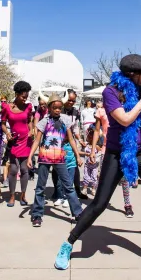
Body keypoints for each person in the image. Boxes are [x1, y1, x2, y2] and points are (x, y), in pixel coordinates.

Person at [53, 54, 141, 271]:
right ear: (132, 74)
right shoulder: (111, 92)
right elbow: (124, 119)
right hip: (117, 154)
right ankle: (68, 243)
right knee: (99, 204)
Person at [27, 93, 83, 227]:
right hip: (45, 157)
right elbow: (37, 141)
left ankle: (78, 213)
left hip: (59, 157)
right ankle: (37, 214)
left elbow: (71, 139)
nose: (57, 110)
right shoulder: (44, 121)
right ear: (49, 107)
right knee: (40, 187)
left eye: (59, 107)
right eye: (55, 107)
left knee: (68, 186)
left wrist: (77, 155)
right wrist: (30, 156)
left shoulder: (65, 120)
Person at [90, 98, 134, 217]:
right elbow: (96, 131)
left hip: (124, 148)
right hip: (107, 148)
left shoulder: (125, 108)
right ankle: (98, 202)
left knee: (124, 179)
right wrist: (93, 150)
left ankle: (127, 204)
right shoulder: (101, 111)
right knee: (102, 177)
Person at [1, 81, 33, 207]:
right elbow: (2, 123)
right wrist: (7, 133)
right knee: (13, 169)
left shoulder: (28, 107)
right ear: (16, 94)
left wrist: (32, 130)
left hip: (26, 140)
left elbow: (29, 121)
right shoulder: (6, 108)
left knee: (25, 169)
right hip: (14, 140)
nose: (25, 99)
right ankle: (12, 195)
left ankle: (23, 195)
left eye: (26, 96)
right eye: (23, 96)